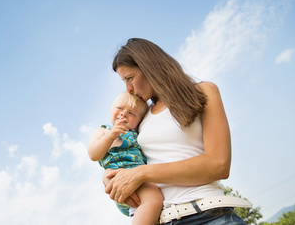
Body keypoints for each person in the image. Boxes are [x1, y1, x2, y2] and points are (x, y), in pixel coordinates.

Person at [105, 38, 251, 225]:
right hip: (164, 220)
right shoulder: (140, 119)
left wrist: (142, 173)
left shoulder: (204, 92)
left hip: (209, 215)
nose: (128, 89)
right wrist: (112, 176)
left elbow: (219, 165)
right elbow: (125, 156)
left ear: (148, 66)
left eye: (129, 78)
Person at [88, 91, 163, 225]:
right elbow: (93, 155)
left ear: (139, 122)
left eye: (131, 113)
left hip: (137, 178)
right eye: (120, 108)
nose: (124, 114)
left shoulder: (136, 134)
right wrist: (110, 136)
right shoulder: (103, 131)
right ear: (111, 109)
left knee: (151, 204)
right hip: (118, 178)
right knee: (154, 199)